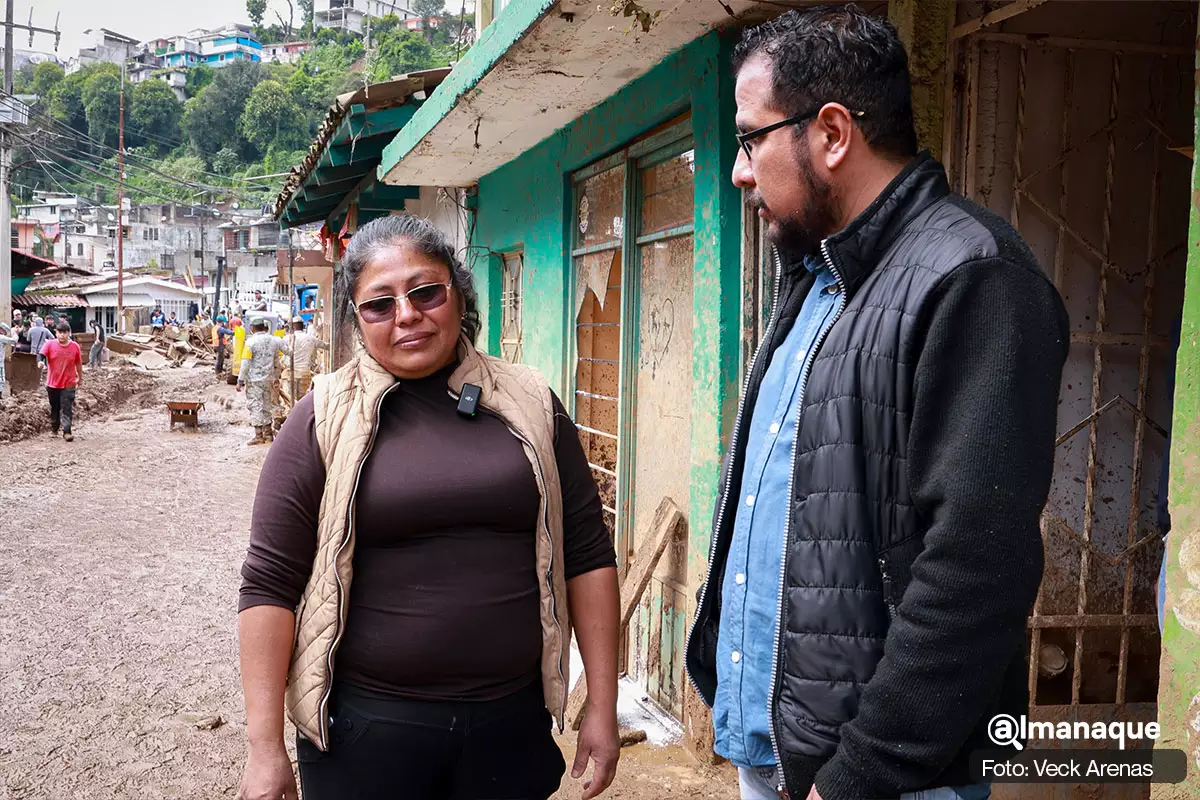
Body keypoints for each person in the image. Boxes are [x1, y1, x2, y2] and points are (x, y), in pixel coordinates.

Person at [683, 8, 1070, 800]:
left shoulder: (973, 276)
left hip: (879, 779)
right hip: (785, 747)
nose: (739, 170)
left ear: (830, 133)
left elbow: (975, 564)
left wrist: (864, 771)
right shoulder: (819, 279)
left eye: (751, 138)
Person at [235, 215, 621, 800]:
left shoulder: (532, 402)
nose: (407, 315)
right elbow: (269, 584)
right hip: (367, 734)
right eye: (379, 305)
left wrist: (602, 703)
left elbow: (587, 554)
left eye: (425, 292)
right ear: (356, 320)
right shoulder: (321, 418)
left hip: (509, 726)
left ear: (458, 296)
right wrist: (264, 747)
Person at [236, 318, 289, 445]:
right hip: (269, 380)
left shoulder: (250, 342)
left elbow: (245, 363)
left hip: (254, 381)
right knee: (267, 406)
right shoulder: (274, 340)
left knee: (255, 406)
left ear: (252, 328)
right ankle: (269, 434)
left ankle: (259, 435)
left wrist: (240, 380)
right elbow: (289, 351)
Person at [41, 322, 84, 442]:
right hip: (52, 383)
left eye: (65, 333)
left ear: (68, 333)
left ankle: (67, 431)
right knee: (54, 406)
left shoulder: (75, 346)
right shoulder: (49, 344)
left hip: (68, 382)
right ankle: (54, 428)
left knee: (67, 407)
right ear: (56, 333)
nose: (62, 335)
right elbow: (41, 355)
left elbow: (78, 363)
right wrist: (40, 362)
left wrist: (80, 377)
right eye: (60, 332)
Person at [278, 316, 328, 415]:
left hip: (289, 374)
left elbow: (279, 355)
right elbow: (326, 346)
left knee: (289, 402)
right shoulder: (311, 339)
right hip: (305, 374)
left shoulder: (286, 339)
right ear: (302, 326)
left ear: (292, 326)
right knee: (302, 403)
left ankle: (288, 422)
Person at [0, 322, 16, 397]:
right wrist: (15, 333)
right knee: (1, 379)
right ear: (2, 330)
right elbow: (13, 340)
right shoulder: (1, 337)